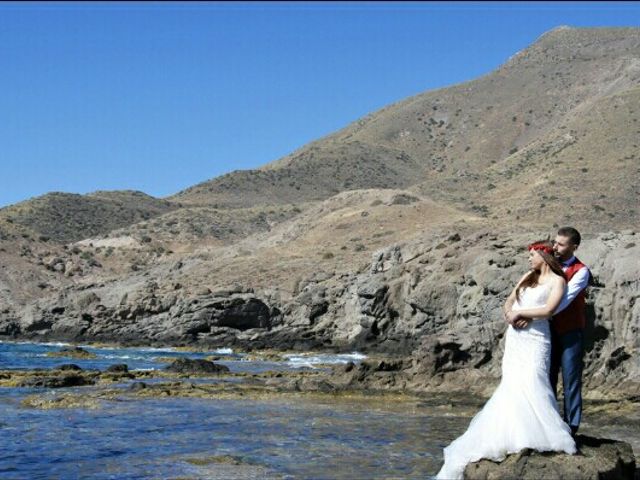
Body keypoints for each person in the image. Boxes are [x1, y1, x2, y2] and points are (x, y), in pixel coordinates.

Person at [435, 241, 576, 480]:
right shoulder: (527, 276)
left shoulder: (558, 281)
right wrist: (511, 314)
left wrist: (523, 313)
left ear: (543, 255)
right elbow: (509, 300)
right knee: (512, 383)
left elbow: (549, 310)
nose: (529, 260)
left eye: (532, 255)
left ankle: (539, 434)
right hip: (517, 337)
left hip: (537, 337)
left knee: (533, 379)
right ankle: (512, 433)